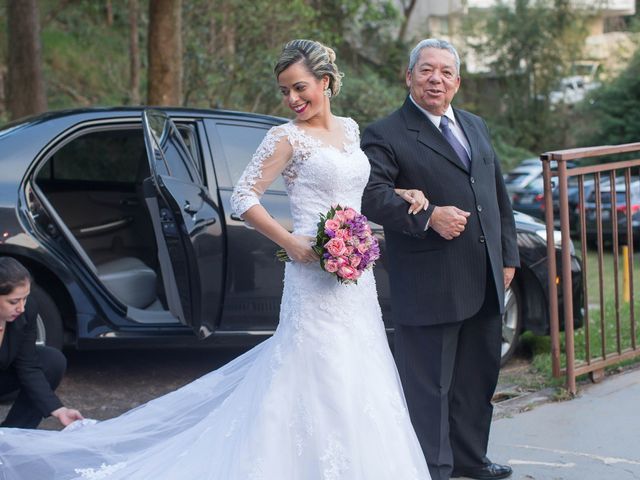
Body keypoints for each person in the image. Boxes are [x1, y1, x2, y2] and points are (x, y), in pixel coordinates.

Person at [0, 40, 432, 479]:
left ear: (325, 82)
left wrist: (401, 193)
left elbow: (354, 194)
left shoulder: (351, 130)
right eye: (284, 91)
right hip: (311, 277)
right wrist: (293, 243)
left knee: (360, 370)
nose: (292, 100)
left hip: (354, 280)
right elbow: (244, 198)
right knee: (316, 371)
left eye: (300, 88)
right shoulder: (285, 137)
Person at [361, 38, 519, 480]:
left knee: (476, 379)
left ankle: (472, 460)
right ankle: (434, 468)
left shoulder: (475, 125)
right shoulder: (386, 132)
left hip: (485, 277)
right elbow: (369, 195)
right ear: (408, 76)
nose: (437, 79)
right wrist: (429, 216)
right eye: (427, 70)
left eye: (446, 72)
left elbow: (497, 198)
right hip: (431, 281)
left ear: (458, 81)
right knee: (429, 387)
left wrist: (508, 258)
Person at [0, 257, 84, 429]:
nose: (22, 308)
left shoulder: (27, 310)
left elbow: (28, 365)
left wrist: (59, 410)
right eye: (14, 301)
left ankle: (13, 435)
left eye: (25, 298)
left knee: (51, 361)